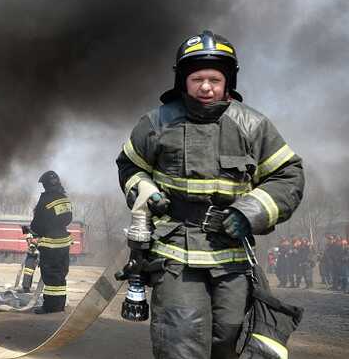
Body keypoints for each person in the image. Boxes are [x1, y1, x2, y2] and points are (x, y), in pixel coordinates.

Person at [116, 30, 304, 358]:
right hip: (176, 254)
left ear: (227, 81)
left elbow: (289, 176)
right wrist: (145, 190)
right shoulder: (155, 124)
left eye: (214, 79)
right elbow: (130, 167)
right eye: (197, 78)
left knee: (227, 337)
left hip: (231, 257)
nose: (206, 87)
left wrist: (250, 213)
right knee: (181, 336)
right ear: (182, 82)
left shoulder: (253, 126)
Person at [30, 170, 73, 314]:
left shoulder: (46, 199)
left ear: (46, 185)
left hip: (50, 243)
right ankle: (59, 305)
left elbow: (37, 224)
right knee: (60, 275)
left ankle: (50, 307)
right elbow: (68, 219)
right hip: (64, 242)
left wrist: (36, 231)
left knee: (50, 276)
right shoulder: (64, 198)